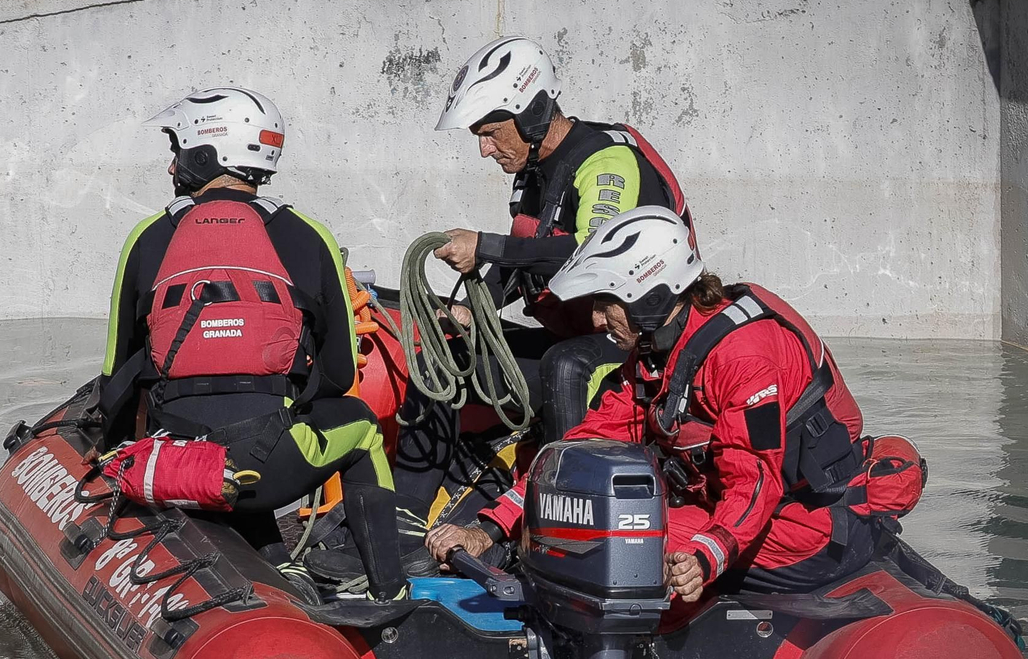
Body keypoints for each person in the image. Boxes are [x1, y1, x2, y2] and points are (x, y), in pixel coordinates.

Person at [368, 36, 697, 577]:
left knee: (566, 368)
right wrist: (479, 308)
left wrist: (488, 245)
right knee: (442, 360)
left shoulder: (607, 160)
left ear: (534, 111)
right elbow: (528, 251)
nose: (483, 148)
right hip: (570, 334)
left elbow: (594, 253)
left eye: (490, 133)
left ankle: (556, 544)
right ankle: (402, 526)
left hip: (631, 344)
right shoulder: (531, 174)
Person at [427, 206, 874, 603]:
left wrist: (703, 558)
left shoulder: (744, 355)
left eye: (607, 302)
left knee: (619, 539)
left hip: (807, 527)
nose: (597, 319)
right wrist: (487, 530)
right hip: (730, 511)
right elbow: (581, 447)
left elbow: (754, 482)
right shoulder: (654, 357)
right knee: (575, 516)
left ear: (650, 297)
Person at [97, 86, 405, 602]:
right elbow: (339, 373)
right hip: (268, 469)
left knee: (224, 424)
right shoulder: (309, 236)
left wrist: (114, 458)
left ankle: (277, 562)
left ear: (204, 153)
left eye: (178, 150)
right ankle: (389, 596)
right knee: (358, 426)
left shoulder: (147, 237)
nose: (173, 166)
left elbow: (117, 372)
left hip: (178, 468)